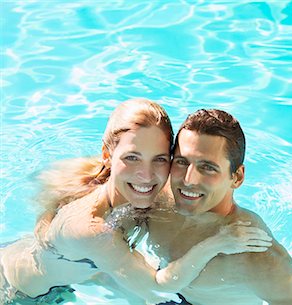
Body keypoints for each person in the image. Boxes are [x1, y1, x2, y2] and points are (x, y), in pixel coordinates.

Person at [0, 99, 273, 304]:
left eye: (159, 159)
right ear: (107, 155)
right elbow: (159, 284)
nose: (146, 176)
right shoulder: (89, 228)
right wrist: (218, 243)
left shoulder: (131, 190)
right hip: (20, 295)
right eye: (132, 157)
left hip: (72, 268)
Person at [141, 109, 292, 305]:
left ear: (237, 177)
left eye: (208, 167)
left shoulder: (255, 255)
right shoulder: (156, 198)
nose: (188, 180)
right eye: (182, 162)